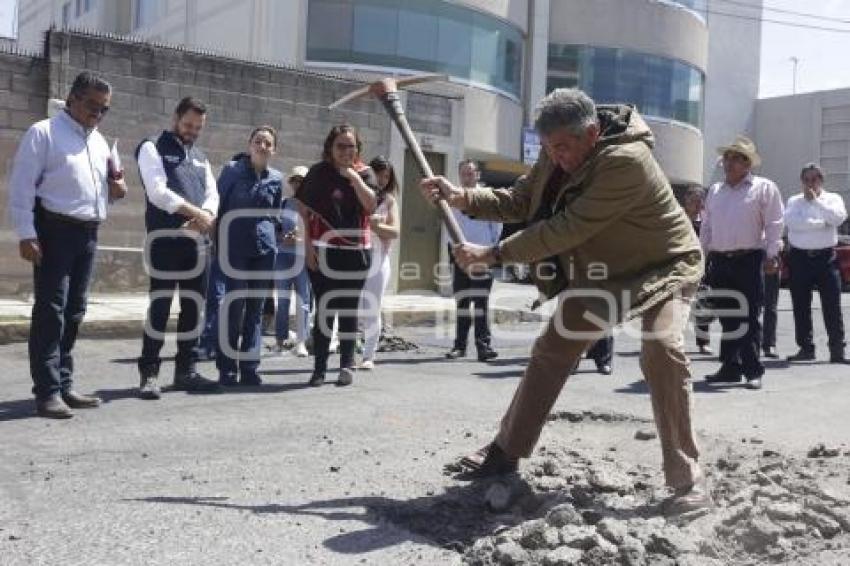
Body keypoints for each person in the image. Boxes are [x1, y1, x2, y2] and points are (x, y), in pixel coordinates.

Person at [421, 88, 709, 514]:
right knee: (553, 348)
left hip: (663, 266)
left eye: (563, 148)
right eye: (549, 149)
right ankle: (507, 449)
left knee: (661, 348)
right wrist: (462, 197)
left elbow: (566, 228)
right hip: (606, 272)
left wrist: (495, 254)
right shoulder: (555, 152)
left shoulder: (627, 161)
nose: (556, 156)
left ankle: (688, 480)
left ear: (592, 133)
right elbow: (520, 201)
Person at [8, 71, 127, 418]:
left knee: (75, 310)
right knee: (51, 311)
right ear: (72, 98)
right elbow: (21, 187)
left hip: (88, 232)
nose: (98, 114)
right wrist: (27, 233)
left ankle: (63, 382)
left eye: (104, 109)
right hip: (53, 231)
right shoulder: (43, 133)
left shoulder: (100, 141)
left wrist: (115, 192)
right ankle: (46, 392)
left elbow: (104, 187)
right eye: (92, 105)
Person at [135, 97, 221, 400]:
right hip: (165, 245)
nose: (192, 132)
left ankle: (186, 370)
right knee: (160, 309)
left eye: (198, 128)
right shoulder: (152, 146)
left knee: (192, 310)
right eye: (188, 125)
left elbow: (212, 194)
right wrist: (196, 214)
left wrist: (205, 217)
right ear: (176, 118)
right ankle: (149, 374)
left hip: (197, 245)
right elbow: (158, 192)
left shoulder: (200, 156)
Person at [701, 135, 783, 391]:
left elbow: (774, 224)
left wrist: (772, 255)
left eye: (737, 158)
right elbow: (707, 227)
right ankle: (730, 368)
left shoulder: (764, 188)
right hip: (720, 260)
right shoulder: (715, 190)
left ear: (748, 164)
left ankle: (752, 370)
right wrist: (701, 259)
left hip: (749, 259)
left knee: (747, 317)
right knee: (727, 316)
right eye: (728, 157)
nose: (730, 162)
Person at [296, 124, 376, 387]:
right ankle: (319, 368)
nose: (346, 151)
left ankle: (346, 366)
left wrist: (353, 178)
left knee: (349, 310)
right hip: (324, 251)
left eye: (351, 146)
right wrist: (307, 248)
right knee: (325, 310)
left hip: (357, 254)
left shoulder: (365, 173)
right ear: (330, 148)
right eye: (340, 146)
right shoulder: (318, 173)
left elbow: (371, 205)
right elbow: (304, 213)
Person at [215, 126, 284, 386]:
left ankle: (250, 367)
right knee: (233, 308)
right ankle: (227, 368)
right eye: (258, 141)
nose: (262, 146)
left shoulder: (276, 178)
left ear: (274, 150)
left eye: (268, 143)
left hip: (264, 251)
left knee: (255, 311)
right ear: (249, 145)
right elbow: (218, 207)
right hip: (234, 249)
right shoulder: (232, 171)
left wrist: (279, 236)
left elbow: (275, 213)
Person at [784, 162, 849, 364]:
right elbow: (792, 223)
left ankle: (837, 351)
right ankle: (806, 348)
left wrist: (817, 203)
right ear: (801, 181)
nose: (810, 183)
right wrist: (821, 223)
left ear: (821, 180)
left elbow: (838, 219)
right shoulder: (794, 201)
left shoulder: (833, 199)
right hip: (800, 258)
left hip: (825, 258)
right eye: (806, 179)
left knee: (832, 305)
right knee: (801, 304)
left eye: (815, 179)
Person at [445, 160, 501, 362]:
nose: (466, 177)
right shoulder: (453, 198)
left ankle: (483, 346)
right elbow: (447, 225)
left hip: (482, 256)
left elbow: (497, 226)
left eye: (470, 173)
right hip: (460, 256)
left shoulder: (487, 197)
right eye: (463, 174)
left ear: (477, 175)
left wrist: (490, 249)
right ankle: (459, 346)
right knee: (462, 303)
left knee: (480, 303)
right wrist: (453, 250)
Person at [358, 156, 401, 370]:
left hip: (378, 258)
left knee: (372, 309)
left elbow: (395, 231)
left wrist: (376, 227)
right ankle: (350, 349)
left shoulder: (389, 201)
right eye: (379, 175)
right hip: (355, 256)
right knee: (354, 308)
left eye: (387, 177)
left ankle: (368, 355)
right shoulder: (357, 193)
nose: (383, 180)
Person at [273, 165, 311, 358]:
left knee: (303, 300)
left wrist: (301, 239)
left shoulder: (313, 206)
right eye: (295, 181)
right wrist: (283, 237)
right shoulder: (284, 203)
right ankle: (280, 341)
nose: (298, 184)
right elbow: (274, 229)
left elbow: (316, 233)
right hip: (283, 256)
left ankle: (301, 342)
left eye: (302, 181)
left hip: (303, 257)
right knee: (283, 300)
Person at [682, 185, 714, 355]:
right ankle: (676, 340)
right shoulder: (679, 219)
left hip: (702, 268)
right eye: (692, 200)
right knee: (678, 306)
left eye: (699, 200)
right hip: (681, 268)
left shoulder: (706, 221)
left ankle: (703, 343)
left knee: (703, 306)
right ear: (685, 201)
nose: (696, 203)